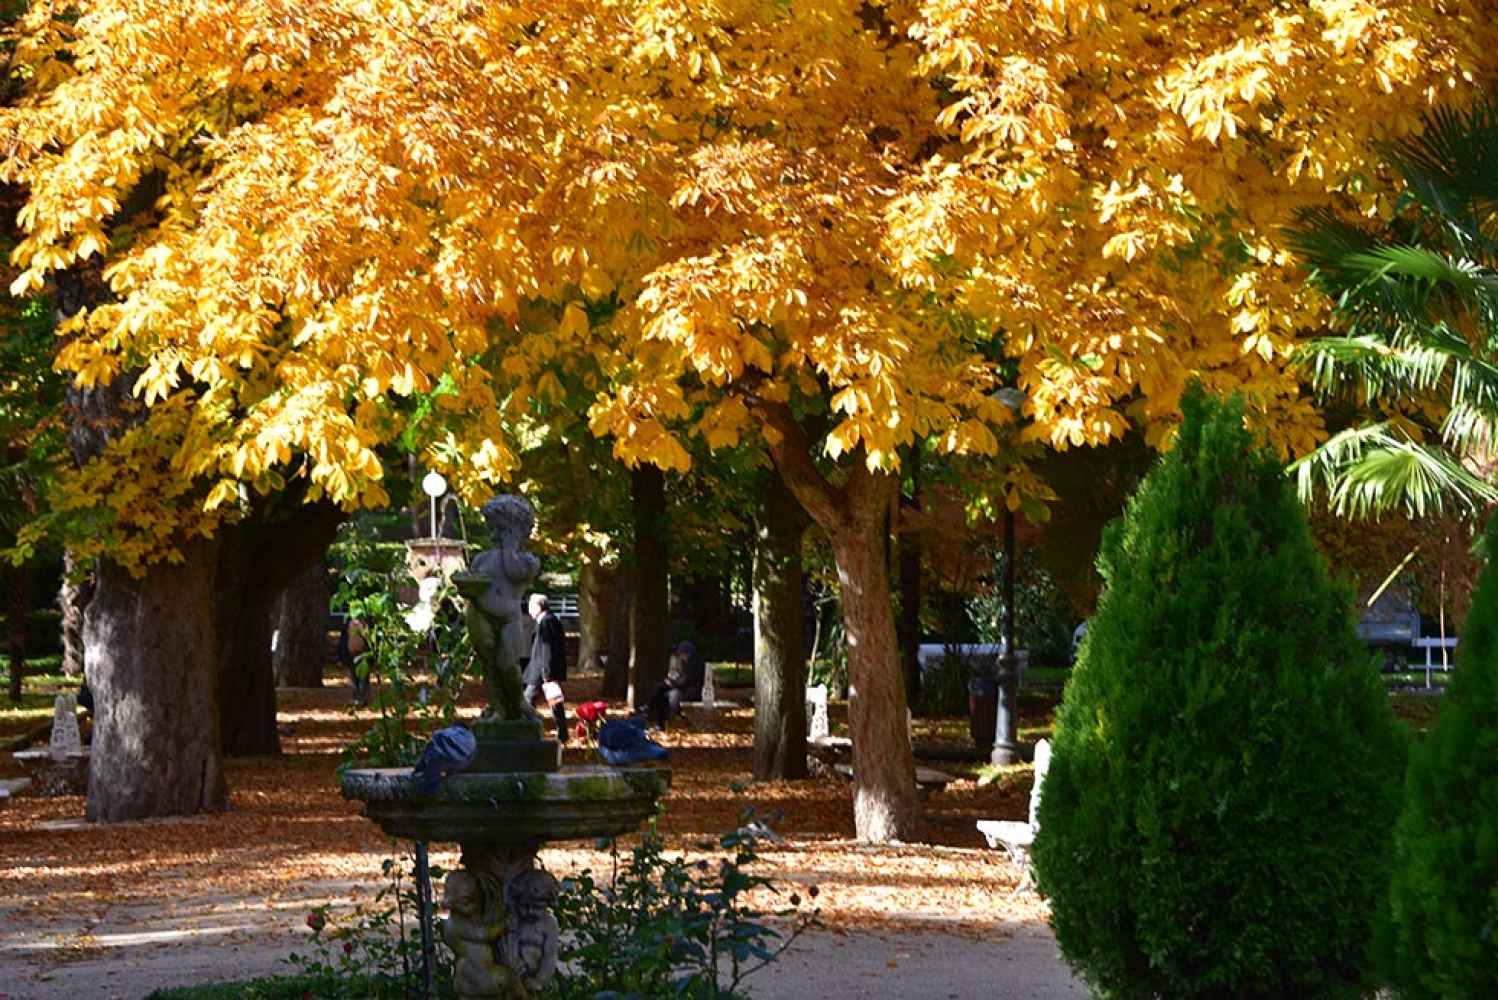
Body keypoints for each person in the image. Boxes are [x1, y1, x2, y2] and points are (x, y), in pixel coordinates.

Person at [522, 594, 568, 743]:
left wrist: (547, 673)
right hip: (541, 670)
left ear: (538, 606)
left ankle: (532, 731)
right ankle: (560, 732)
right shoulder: (548, 620)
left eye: (531, 606)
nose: (529, 609)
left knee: (531, 700)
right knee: (551, 701)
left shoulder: (547, 621)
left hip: (543, 671)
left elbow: (548, 649)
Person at [646, 640, 706, 730]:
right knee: (661, 689)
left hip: (691, 691)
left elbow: (689, 680)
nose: (681, 657)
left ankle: (666, 719)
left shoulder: (695, 664)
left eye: (682, 654)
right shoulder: (686, 662)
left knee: (671, 696)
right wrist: (672, 682)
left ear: (688, 653)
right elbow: (682, 678)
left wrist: (674, 684)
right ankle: (652, 711)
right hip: (683, 688)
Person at [337, 615, 370, 705]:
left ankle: (362, 699)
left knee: (363, 678)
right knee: (354, 678)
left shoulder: (366, 624)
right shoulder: (347, 624)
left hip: (363, 655)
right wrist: (341, 657)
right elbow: (342, 641)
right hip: (350, 655)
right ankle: (356, 698)